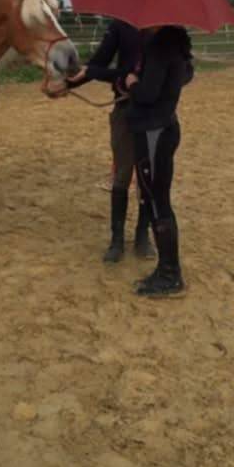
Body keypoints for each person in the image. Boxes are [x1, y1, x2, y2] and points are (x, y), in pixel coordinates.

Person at [69, 25, 194, 298]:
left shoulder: (160, 46)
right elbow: (177, 77)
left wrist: (132, 82)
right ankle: (165, 270)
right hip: (160, 126)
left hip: (153, 129)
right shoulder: (173, 43)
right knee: (154, 197)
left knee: (158, 201)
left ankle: (170, 275)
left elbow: (147, 93)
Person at [69, 18, 154, 263]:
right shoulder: (120, 25)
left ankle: (142, 235)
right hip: (125, 108)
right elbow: (98, 63)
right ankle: (117, 238)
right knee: (122, 174)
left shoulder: (165, 28)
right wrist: (68, 83)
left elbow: (180, 69)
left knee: (148, 175)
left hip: (154, 111)